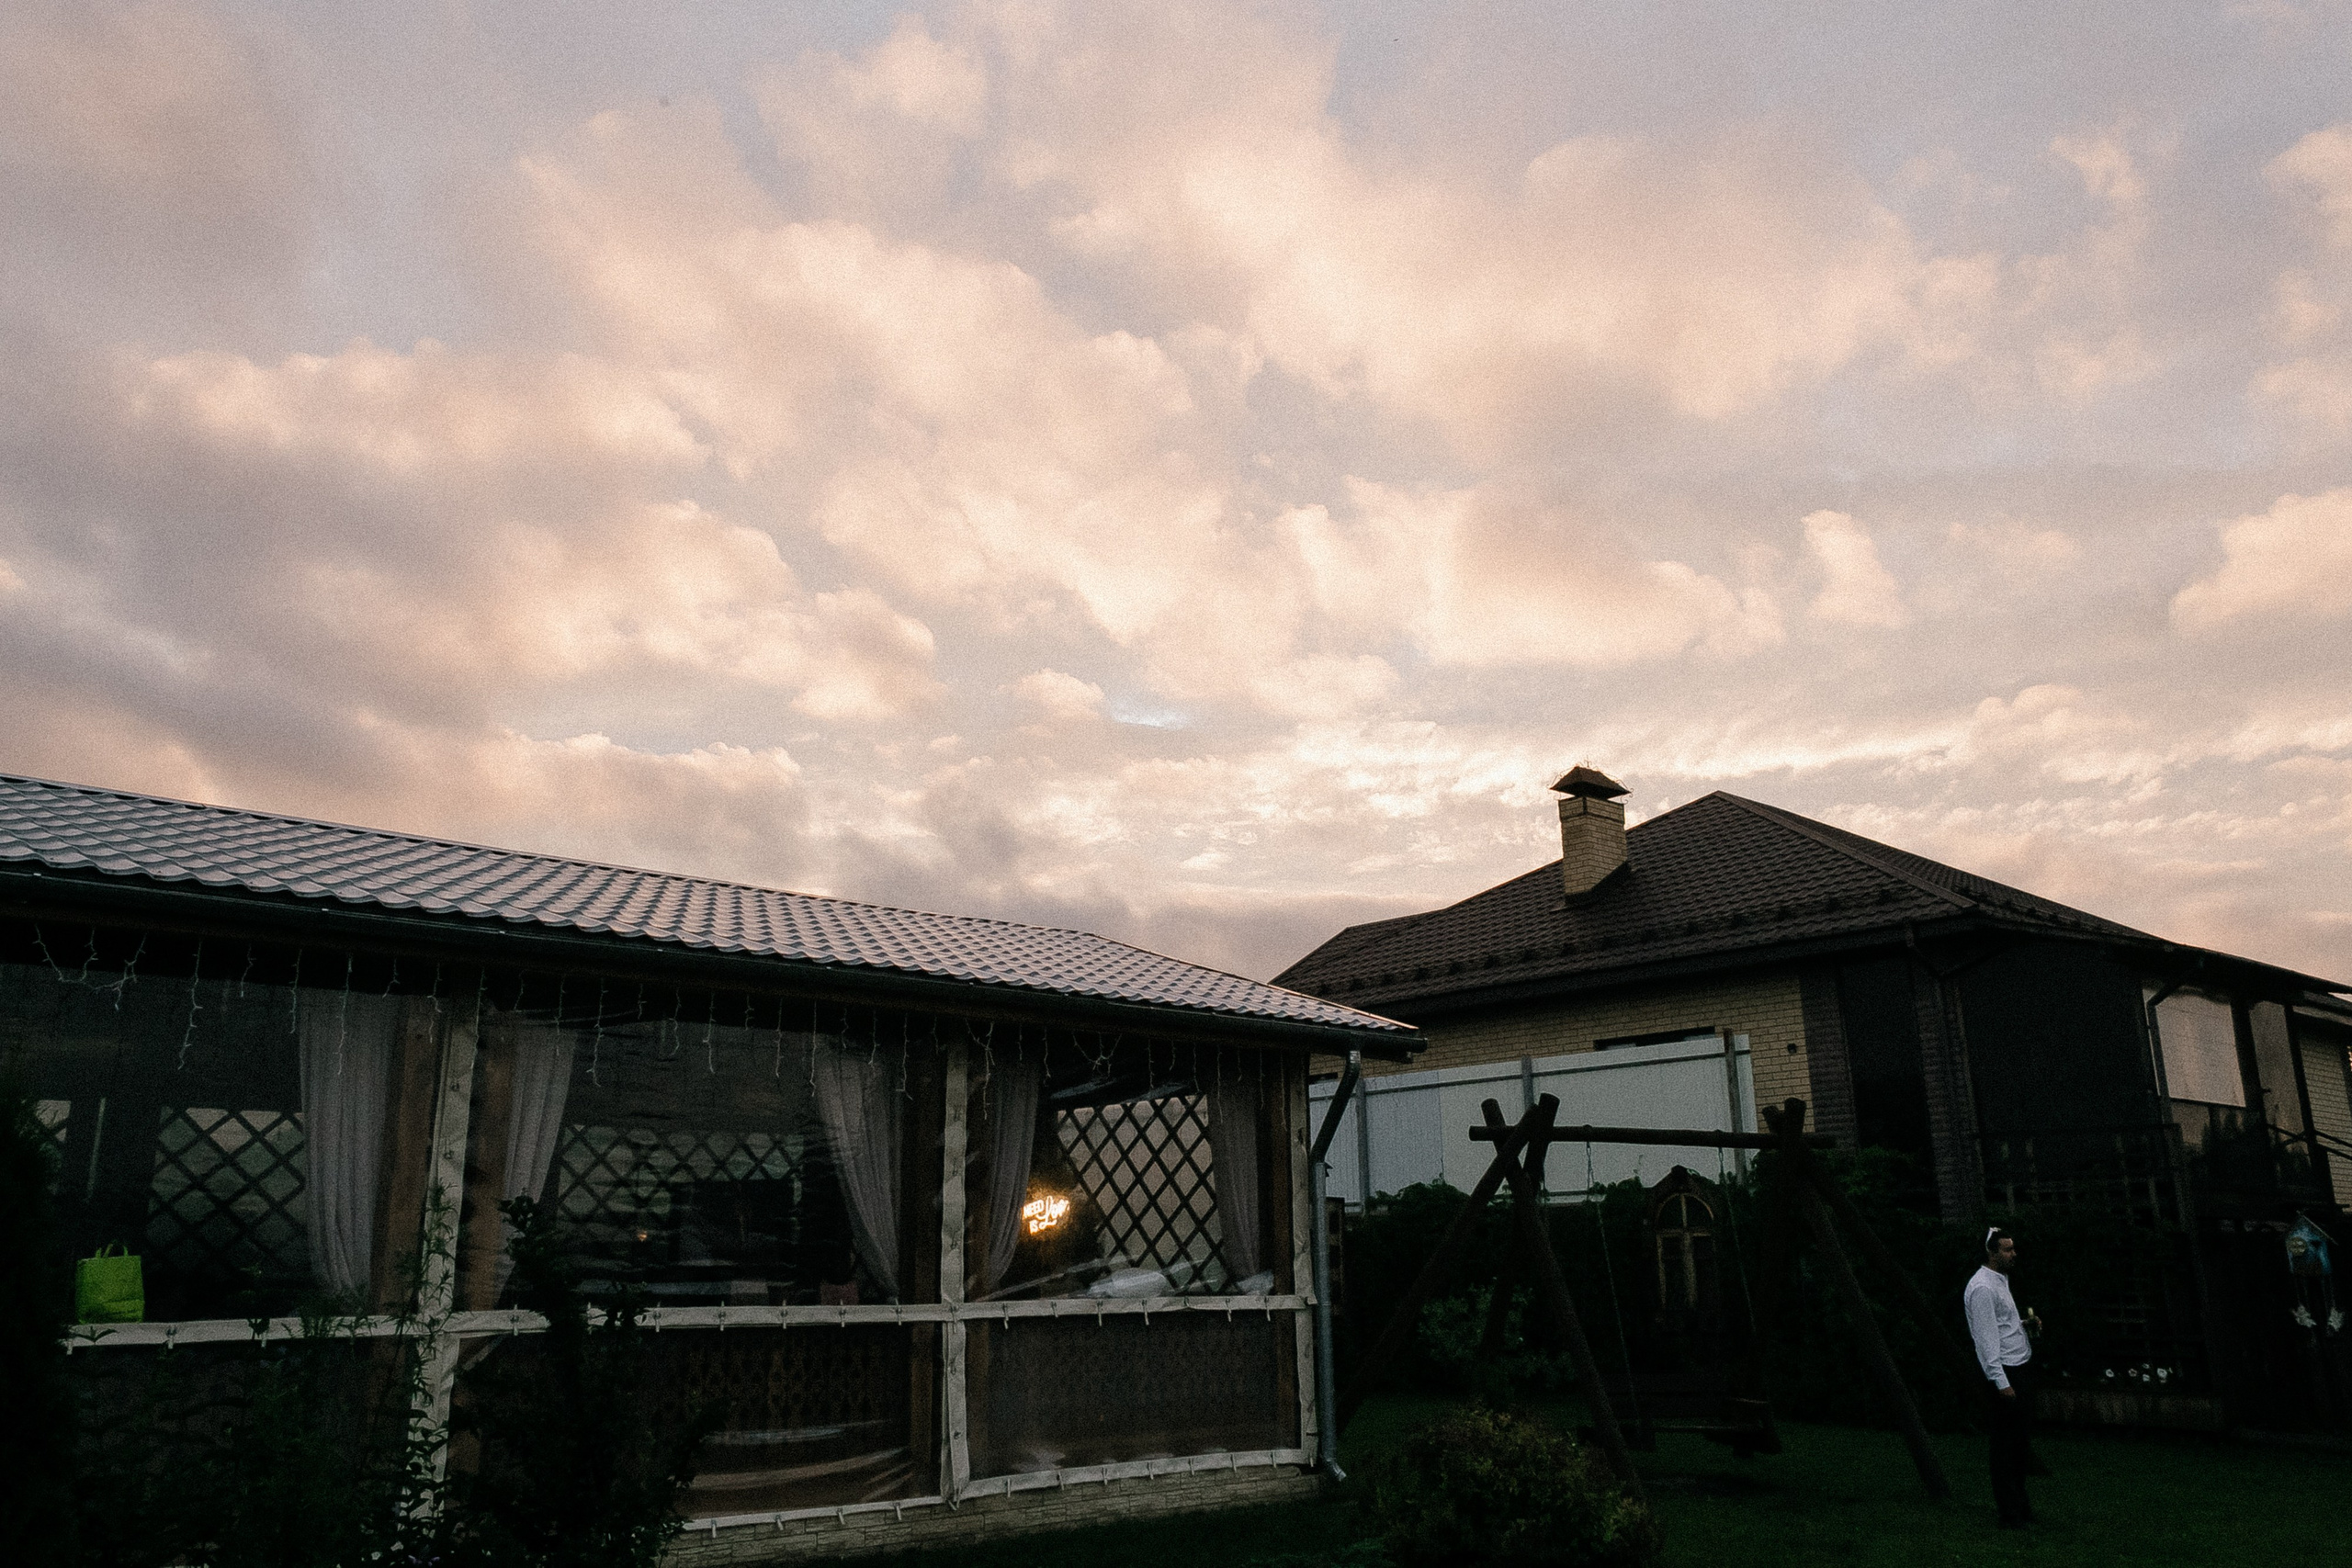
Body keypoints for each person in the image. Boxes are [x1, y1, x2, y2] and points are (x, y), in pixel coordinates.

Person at [1964, 1226, 2037, 1528]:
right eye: (2007, 1249)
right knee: (2005, 1448)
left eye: (2013, 1248)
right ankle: (2010, 1514)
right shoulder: (1982, 1287)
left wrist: (2025, 1324)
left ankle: (2021, 1506)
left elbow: (2003, 1323)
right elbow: (1985, 1339)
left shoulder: (2001, 1280)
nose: (2013, 1253)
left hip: (2019, 1365)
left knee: (2018, 1444)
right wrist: (2002, 1383)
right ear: (1992, 1253)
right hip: (2005, 1374)